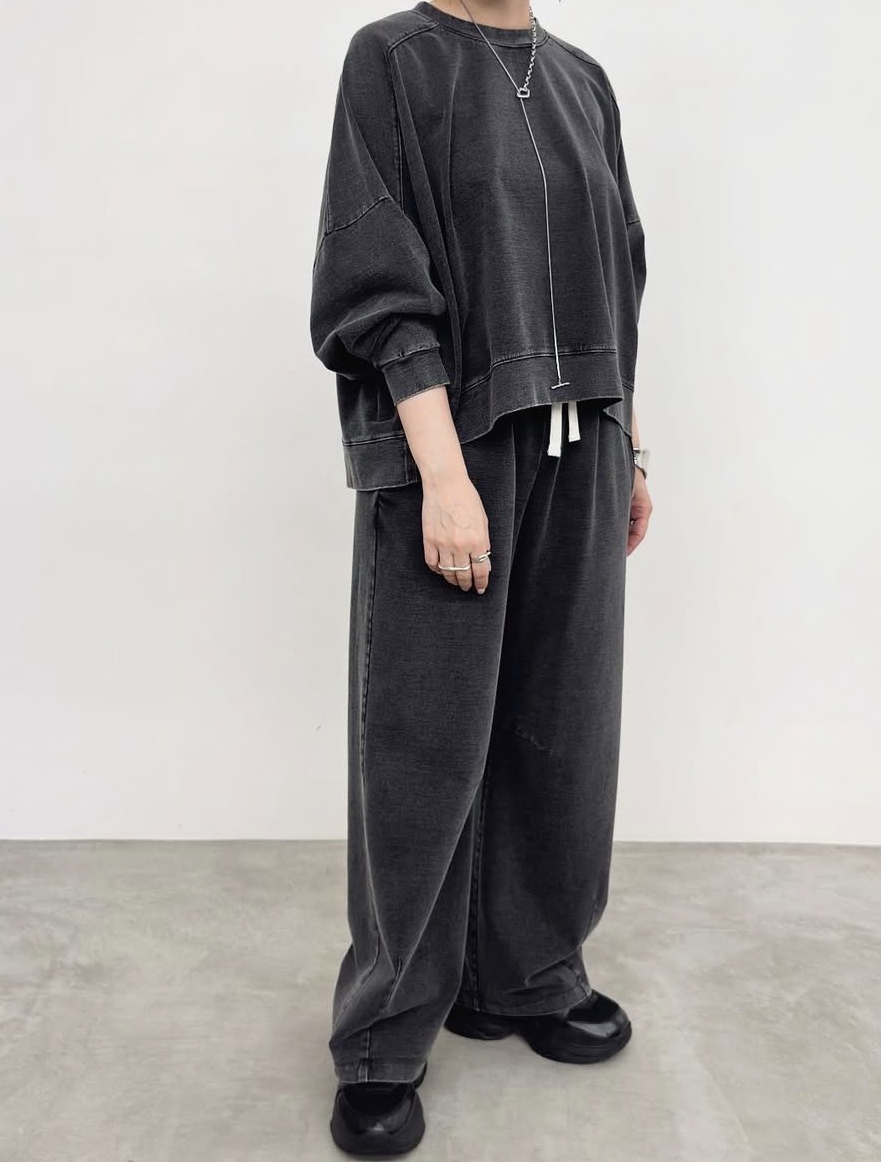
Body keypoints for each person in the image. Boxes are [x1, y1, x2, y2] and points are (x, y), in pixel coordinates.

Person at [309, 0, 653, 1154]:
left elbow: (617, 272)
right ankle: (383, 1037)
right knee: (422, 743)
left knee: (565, 727)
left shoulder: (582, 78)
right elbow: (373, 276)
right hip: (455, 446)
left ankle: (528, 973)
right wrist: (443, 478)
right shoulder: (393, 60)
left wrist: (631, 442)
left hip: (584, 440)